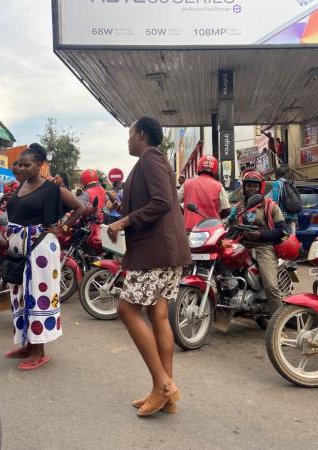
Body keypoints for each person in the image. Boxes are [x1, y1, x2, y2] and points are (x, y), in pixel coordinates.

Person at [107, 116, 190, 417]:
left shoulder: (150, 157)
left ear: (141, 134)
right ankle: (165, 392)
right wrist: (123, 209)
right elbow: (156, 201)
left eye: (130, 134)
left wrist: (124, 220)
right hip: (167, 251)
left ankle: (163, 385)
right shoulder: (152, 161)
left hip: (156, 251)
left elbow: (162, 202)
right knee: (158, 315)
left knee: (127, 310)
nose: (127, 140)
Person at [4, 143, 85, 370]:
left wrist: (63, 228)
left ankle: (39, 352)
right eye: (19, 164)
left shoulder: (52, 189)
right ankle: (26, 345)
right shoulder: (21, 186)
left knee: (36, 296)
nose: (22, 168)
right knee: (20, 295)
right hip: (20, 250)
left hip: (40, 250)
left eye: (27, 165)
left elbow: (80, 208)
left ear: (40, 165)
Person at [230, 170, 288, 313]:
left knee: (270, 286)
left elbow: (283, 231)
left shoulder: (270, 206)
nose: (251, 189)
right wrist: (232, 218)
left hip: (264, 247)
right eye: (248, 186)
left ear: (260, 188)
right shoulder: (239, 206)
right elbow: (229, 225)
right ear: (244, 187)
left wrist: (260, 234)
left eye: (254, 186)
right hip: (242, 246)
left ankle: (279, 322)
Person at [178, 155, 231, 230]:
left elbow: (174, 202)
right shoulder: (218, 186)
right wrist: (215, 219)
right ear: (215, 169)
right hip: (212, 230)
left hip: (190, 229)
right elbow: (227, 210)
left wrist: (184, 213)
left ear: (199, 167)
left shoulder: (187, 183)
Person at [269, 165, 297, 235]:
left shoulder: (276, 183)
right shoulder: (291, 184)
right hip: (292, 216)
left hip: (281, 216)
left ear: (276, 175)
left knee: (283, 238)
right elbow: (296, 200)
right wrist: (296, 218)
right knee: (292, 237)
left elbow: (275, 200)